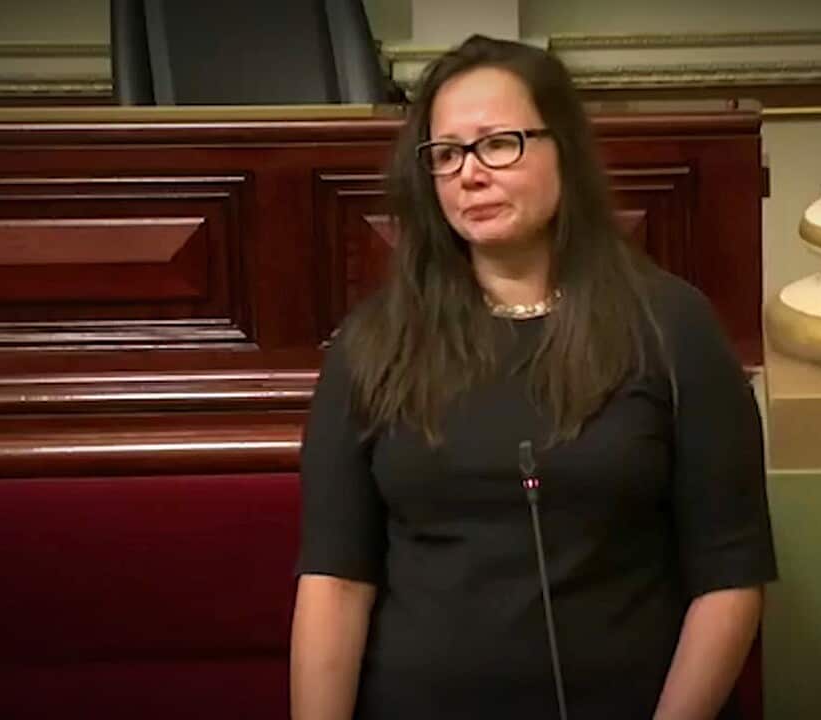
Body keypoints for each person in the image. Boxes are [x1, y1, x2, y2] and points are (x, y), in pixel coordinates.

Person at [290, 34, 777, 720]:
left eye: (498, 143)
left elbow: (729, 577)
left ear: (564, 152)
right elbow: (336, 582)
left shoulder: (672, 325)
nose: (470, 173)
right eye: (448, 153)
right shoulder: (372, 345)